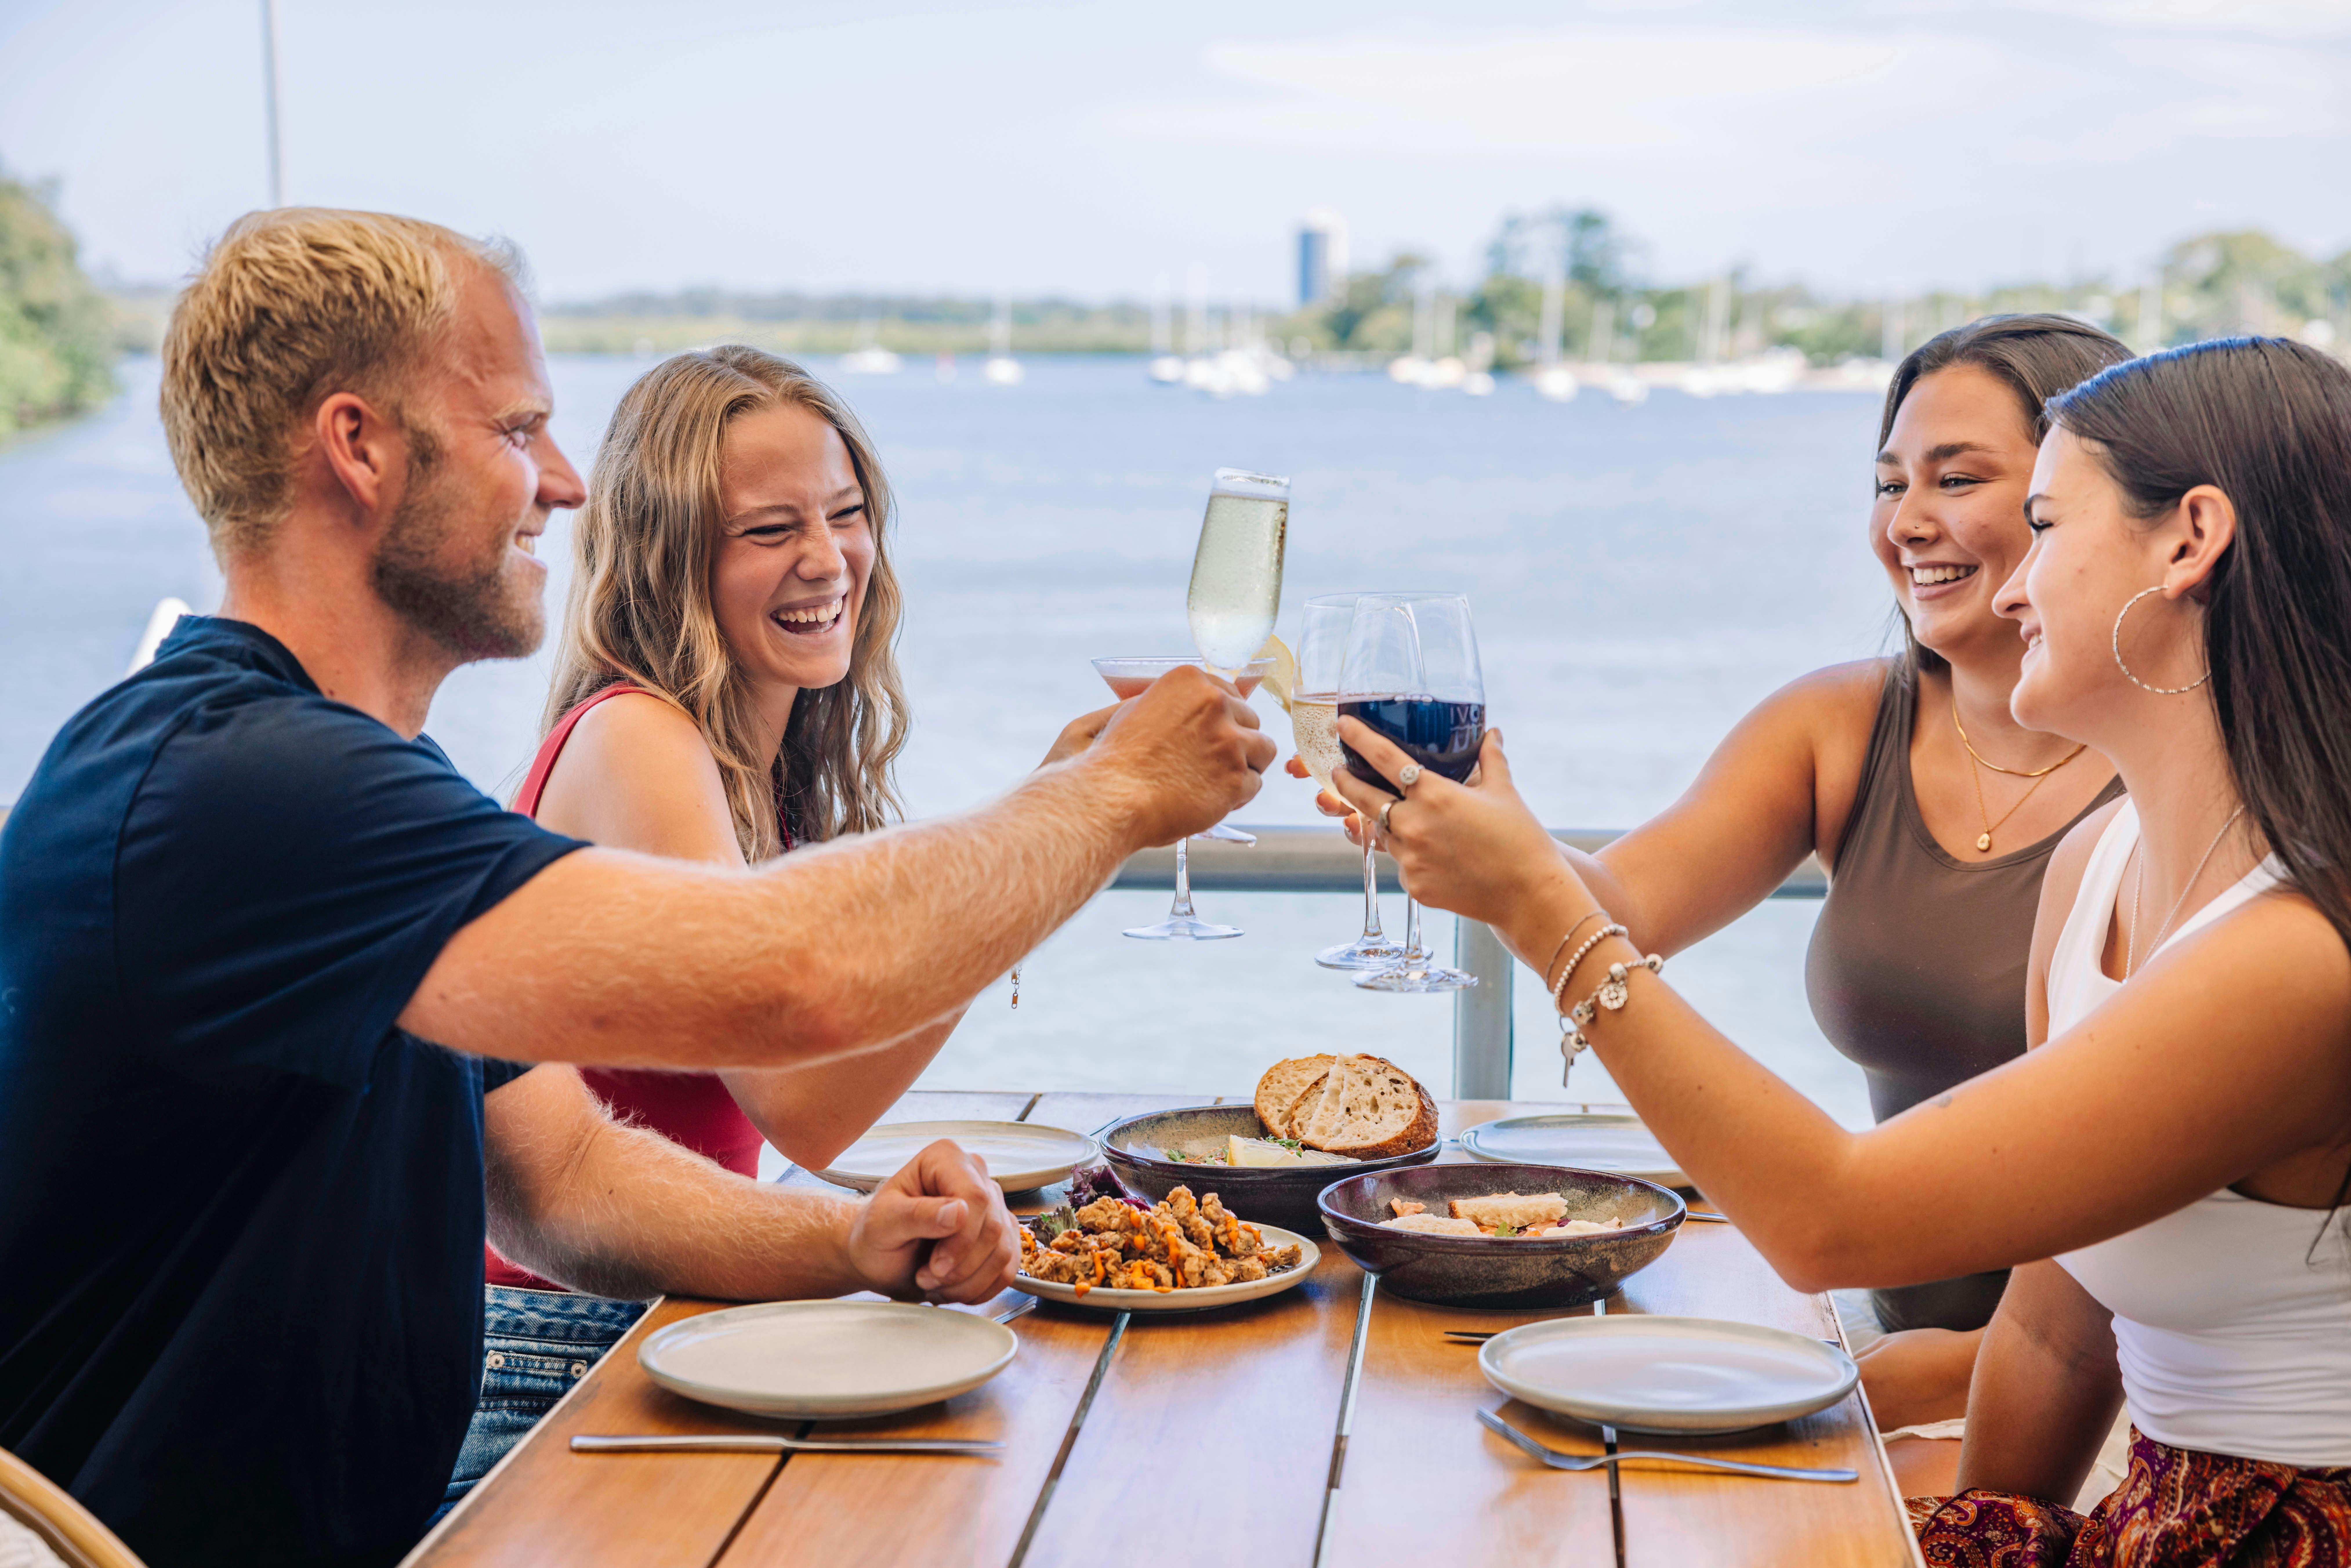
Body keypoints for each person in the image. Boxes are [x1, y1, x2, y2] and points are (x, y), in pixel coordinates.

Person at [0, 209, 1272, 1568]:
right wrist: (1107, 798)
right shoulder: (249, 785)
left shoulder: (346, 780)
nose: (564, 481)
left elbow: (563, 1173)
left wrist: (853, 1238)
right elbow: (797, 979)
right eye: (514, 429)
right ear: (358, 446)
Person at [1337, 335, 2351, 1565]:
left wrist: (1545, 917)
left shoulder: (2296, 956)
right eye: (1891, 482)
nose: (2014, 584)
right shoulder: (2098, 875)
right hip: (2149, 1516)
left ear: (2188, 541)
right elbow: (2056, 1325)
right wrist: (1985, 1539)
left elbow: (1834, 1220)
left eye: (2041, 522)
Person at [1297, 314, 2129, 1488]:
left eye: (1958, 478)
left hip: (2096, 1394)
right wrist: (1490, 833)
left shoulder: (2164, 786)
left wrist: (1868, 1385)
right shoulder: (1844, 724)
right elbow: (1619, 905)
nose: (1906, 522)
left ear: (2074, 500)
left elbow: (2120, 1288)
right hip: (1890, 1336)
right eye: (1888, 483)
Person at [445, 345, 1119, 1505]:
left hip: (672, 1325)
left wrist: (1046, 835)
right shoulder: (639, 739)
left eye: (846, 513)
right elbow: (804, 1102)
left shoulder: (763, 767)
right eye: (769, 531)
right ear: (672, 562)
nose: (827, 558)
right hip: (557, 1359)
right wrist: (1058, 842)